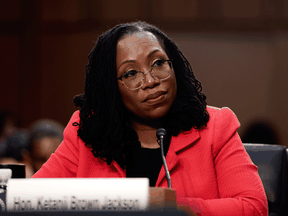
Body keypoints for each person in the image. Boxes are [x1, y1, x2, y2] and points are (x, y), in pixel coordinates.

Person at [32, 21, 268, 215]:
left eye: (158, 63)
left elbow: (254, 207)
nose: (151, 81)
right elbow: (33, 200)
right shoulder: (87, 133)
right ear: (111, 88)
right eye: (131, 73)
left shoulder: (215, 127)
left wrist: (177, 208)